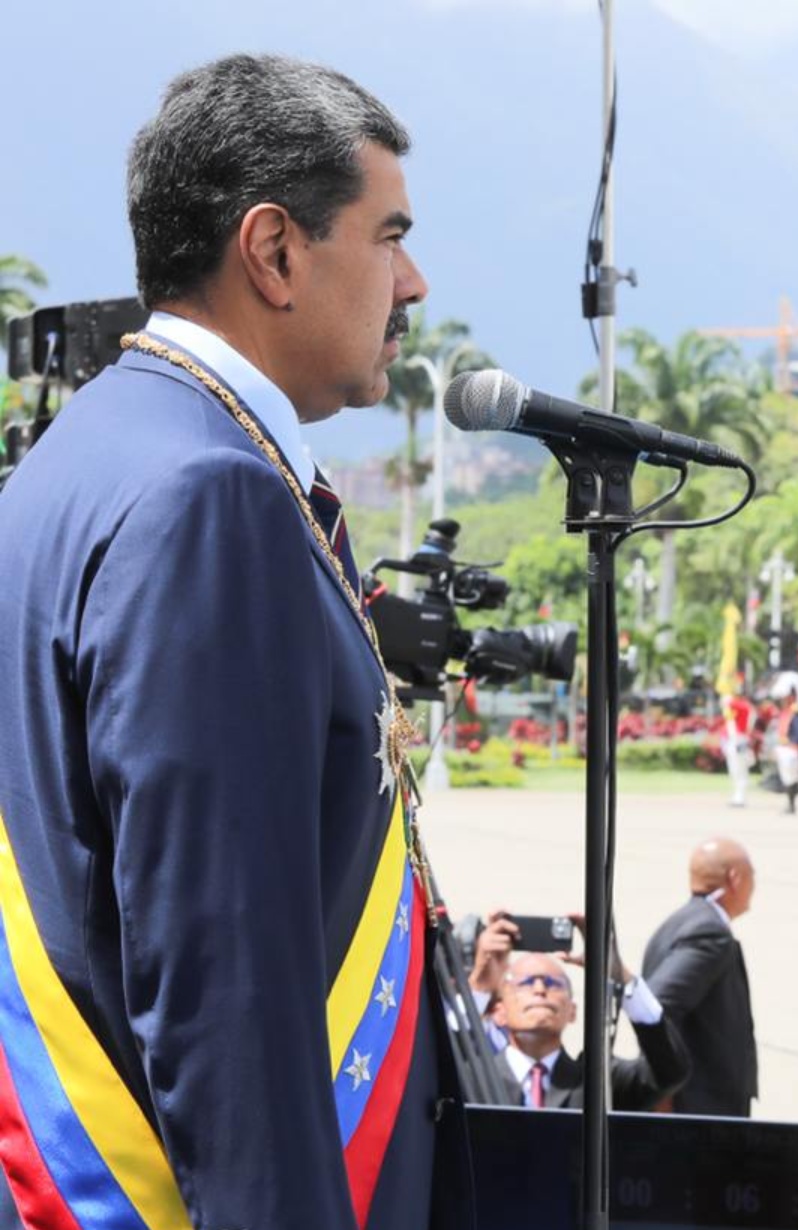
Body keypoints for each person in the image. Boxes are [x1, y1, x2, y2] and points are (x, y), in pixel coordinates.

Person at [0, 55, 449, 1228]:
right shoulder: (212, 495)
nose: (413, 280)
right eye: (387, 233)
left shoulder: (78, 459)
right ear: (275, 251)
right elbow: (225, 990)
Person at [467, 916, 690, 1111]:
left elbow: (669, 1072)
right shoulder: (473, 1076)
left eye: (553, 983)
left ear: (572, 1011)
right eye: (525, 983)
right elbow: (439, 1057)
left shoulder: (596, 1081)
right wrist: (479, 986)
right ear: (499, 1011)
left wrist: (620, 975)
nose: (539, 989)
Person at [641, 838, 760, 1117]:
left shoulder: (679, 922)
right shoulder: (708, 932)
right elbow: (658, 1003)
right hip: (700, 1104)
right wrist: (665, 1090)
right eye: (752, 876)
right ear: (735, 878)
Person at [771, 693, 798, 814]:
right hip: (784, 748)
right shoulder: (784, 713)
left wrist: (792, 742)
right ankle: (790, 804)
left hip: (791, 749)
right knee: (787, 778)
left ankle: (792, 804)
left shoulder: (795, 713)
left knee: (791, 778)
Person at [723, 683, 756, 807]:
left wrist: (726, 696)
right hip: (737, 740)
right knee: (735, 770)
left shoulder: (742, 706)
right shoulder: (744, 706)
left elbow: (729, 705)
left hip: (740, 740)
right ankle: (738, 796)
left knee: (739, 770)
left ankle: (740, 797)